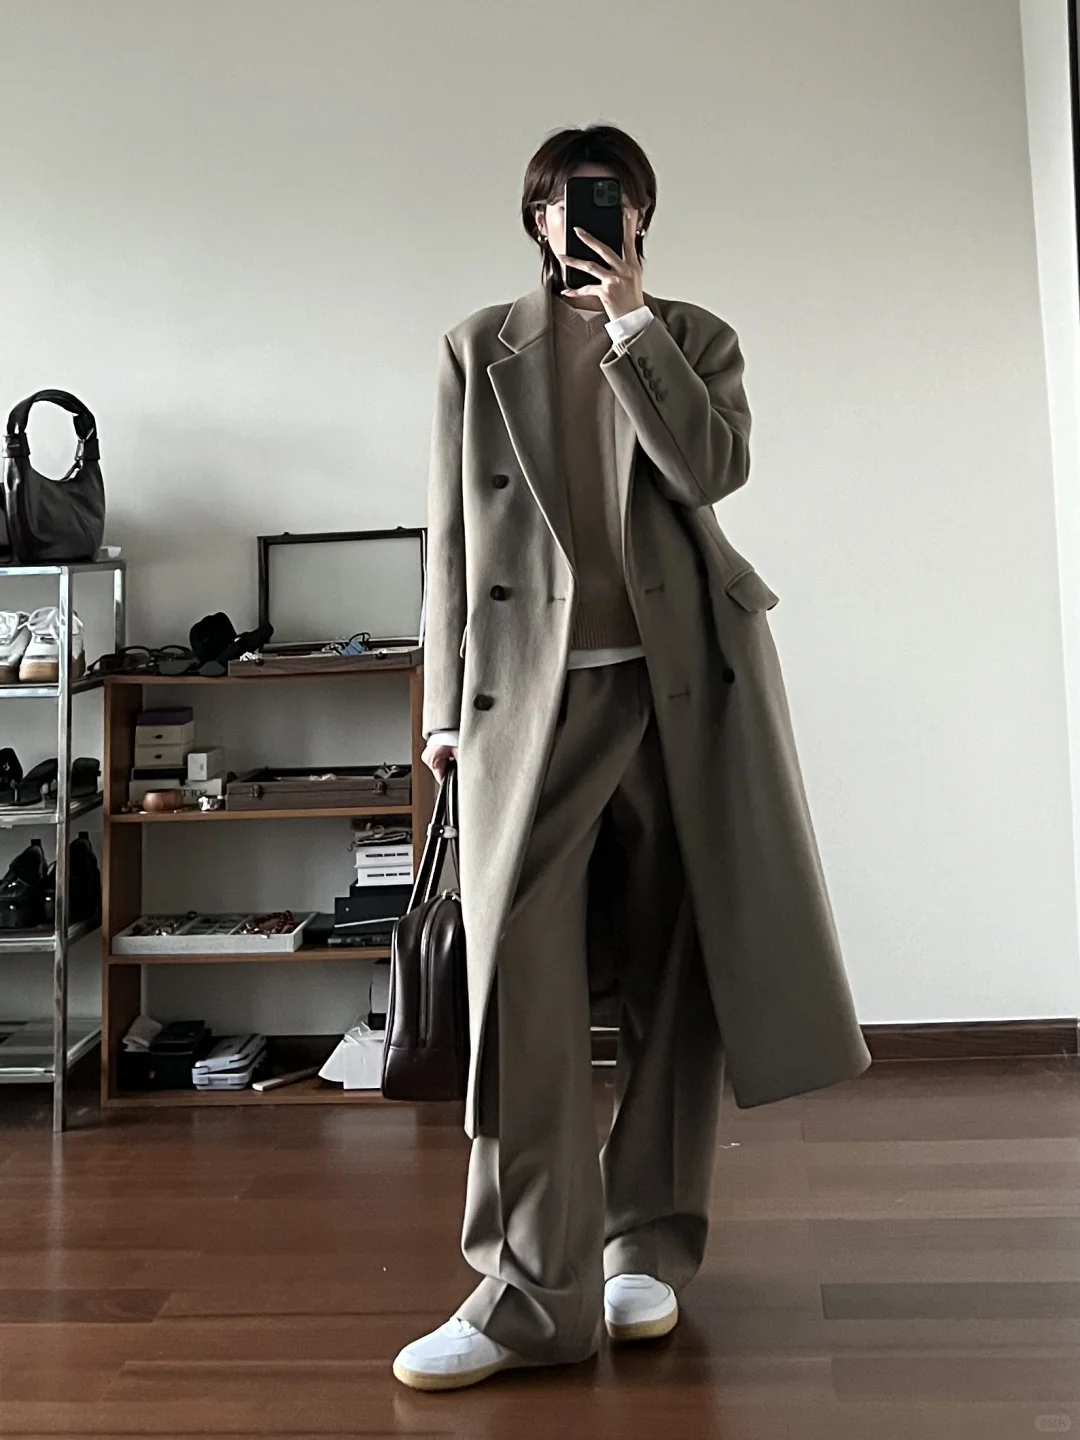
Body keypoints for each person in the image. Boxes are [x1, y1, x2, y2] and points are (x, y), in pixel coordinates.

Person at [393, 124, 870, 1392]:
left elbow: (710, 469)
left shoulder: (690, 336)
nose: (582, 218)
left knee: (675, 967)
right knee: (522, 992)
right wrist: (440, 708)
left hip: (680, 696)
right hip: (529, 707)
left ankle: (644, 1246)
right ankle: (525, 1292)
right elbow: (448, 541)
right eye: (561, 201)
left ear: (641, 216)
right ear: (534, 219)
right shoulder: (476, 348)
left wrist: (631, 326)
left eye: (606, 200)